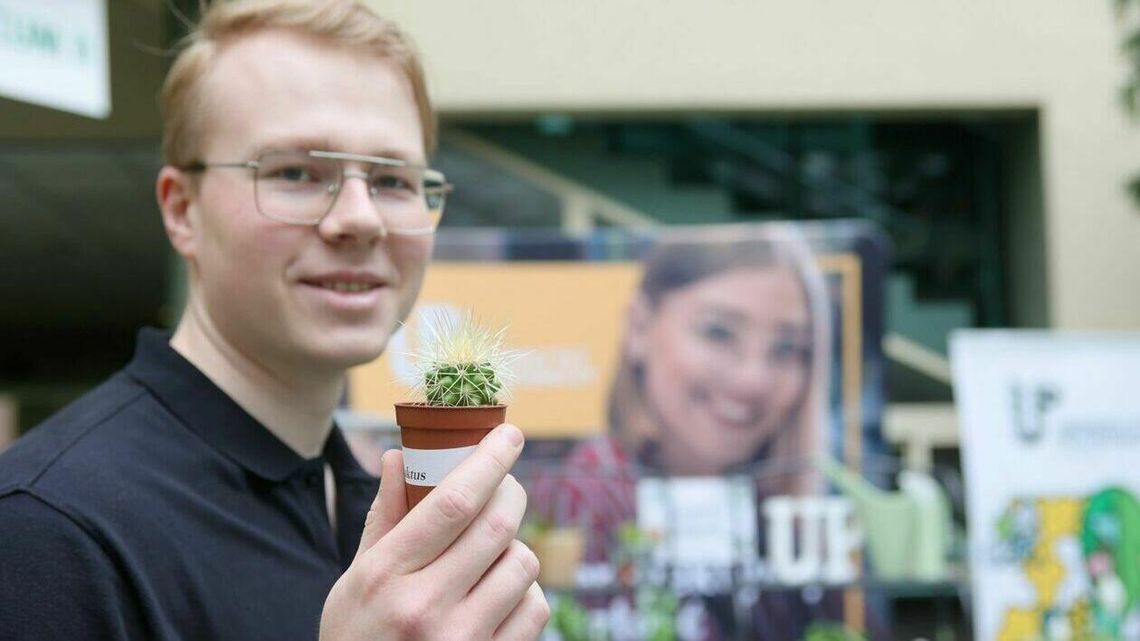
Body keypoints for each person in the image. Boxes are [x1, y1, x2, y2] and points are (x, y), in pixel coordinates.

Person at [0, 2, 548, 640]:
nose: (360, 218)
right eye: (295, 172)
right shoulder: (51, 532)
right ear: (182, 210)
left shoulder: (378, 503)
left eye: (393, 180)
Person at [532, 224, 864, 640]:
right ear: (638, 327)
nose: (753, 380)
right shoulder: (585, 497)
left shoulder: (800, 522)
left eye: (786, 349)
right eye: (718, 332)